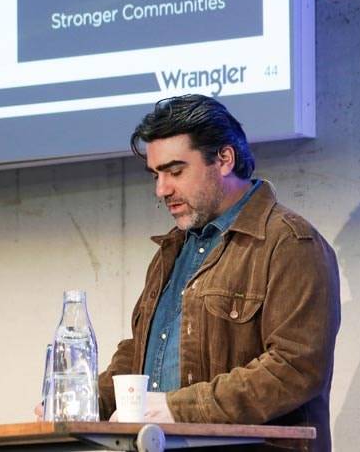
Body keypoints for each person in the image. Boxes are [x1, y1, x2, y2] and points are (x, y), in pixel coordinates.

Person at [97, 94, 340, 451]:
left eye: (175, 172)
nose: (161, 189)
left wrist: (178, 410)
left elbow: (295, 368)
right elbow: (140, 352)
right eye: (156, 175)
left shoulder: (290, 242)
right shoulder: (173, 249)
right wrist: (87, 402)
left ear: (224, 159)